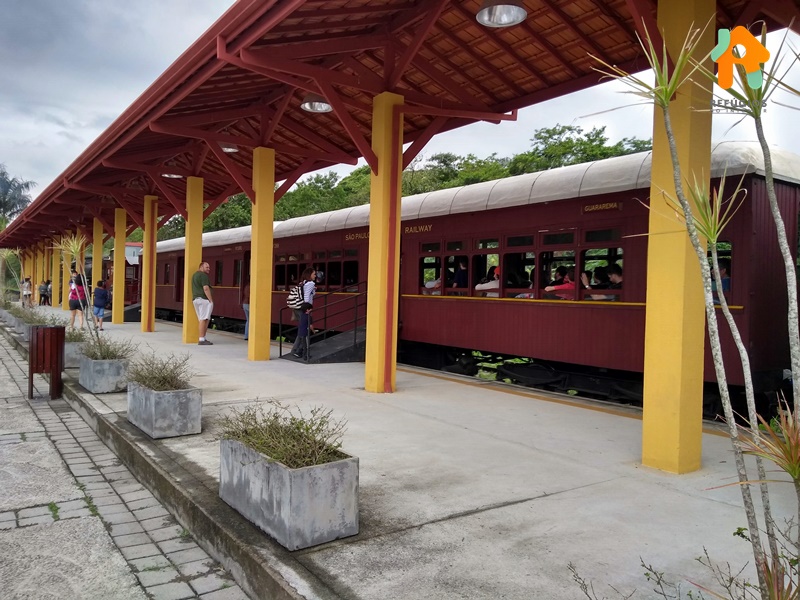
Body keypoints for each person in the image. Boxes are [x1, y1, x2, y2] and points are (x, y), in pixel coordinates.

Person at [291, 268, 317, 358]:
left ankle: (296, 350)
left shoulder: (304, 282)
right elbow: (306, 296)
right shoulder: (311, 283)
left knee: (302, 329)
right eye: (314, 274)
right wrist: (307, 308)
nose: (315, 276)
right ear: (310, 275)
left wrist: (313, 291)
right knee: (306, 330)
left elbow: (307, 294)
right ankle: (300, 351)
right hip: (305, 309)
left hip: (300, 308)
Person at [192, 262, 214, 345]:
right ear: (201, 267)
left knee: (202, 319)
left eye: (209, 267)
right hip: (203, 300)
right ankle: (201, 339)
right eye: (207, 267)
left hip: (196, 299)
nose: (209, 269)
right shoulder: (203, 276)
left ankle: (203, 338)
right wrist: (210, 300)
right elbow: (206, 288)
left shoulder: (195, 275)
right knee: (204, 319)